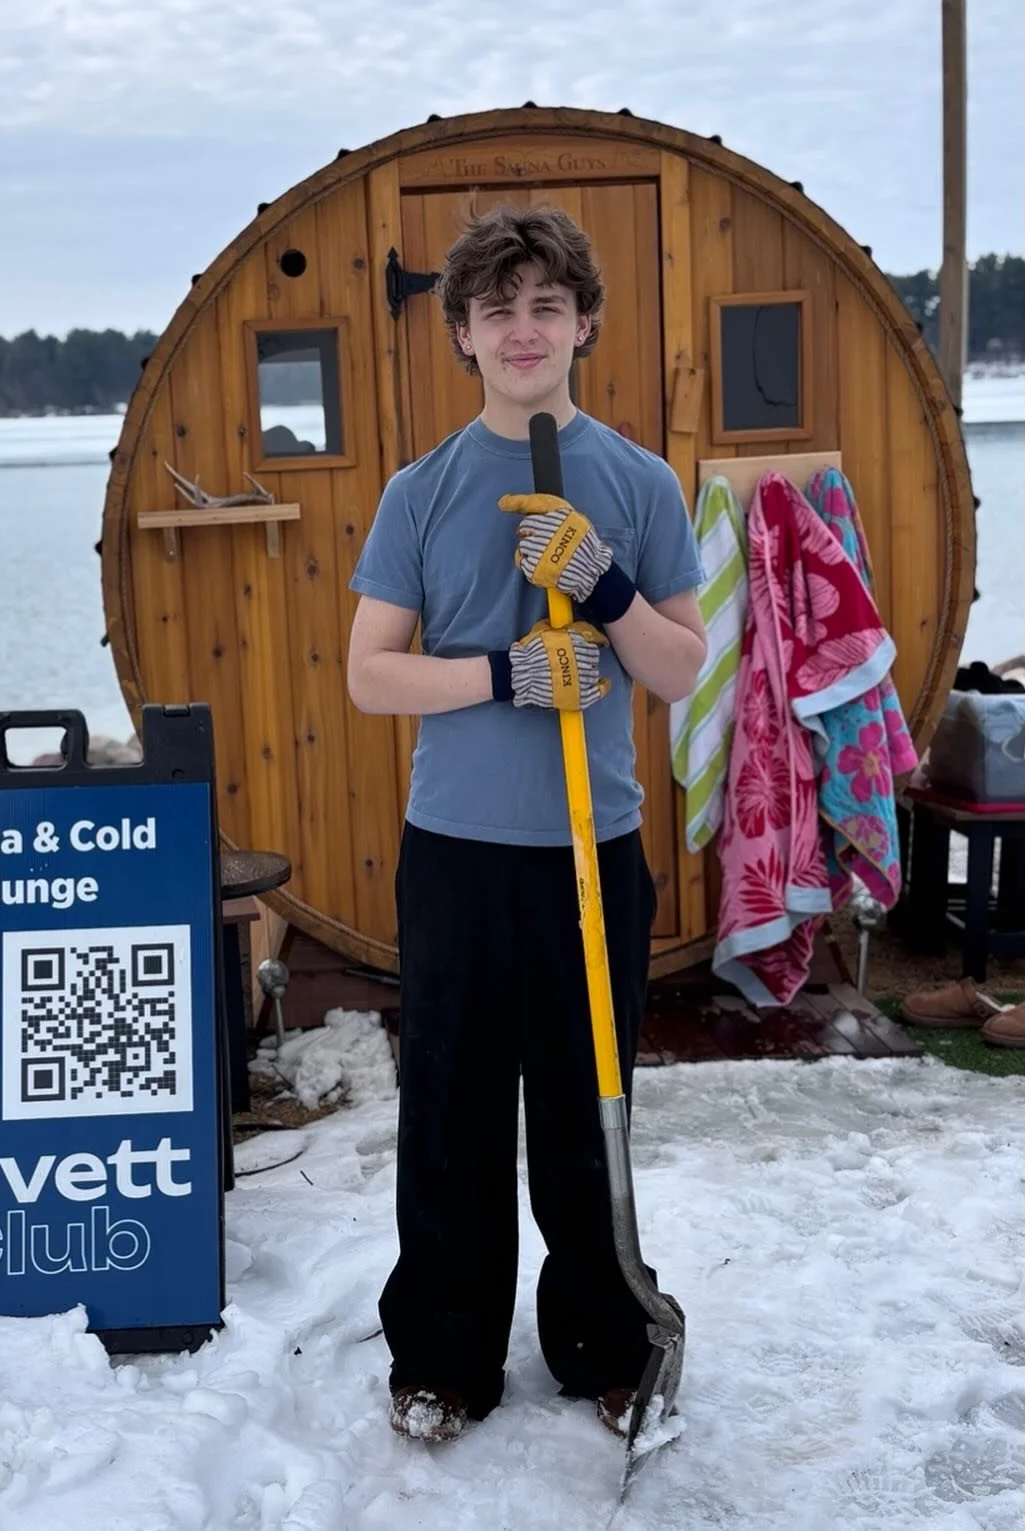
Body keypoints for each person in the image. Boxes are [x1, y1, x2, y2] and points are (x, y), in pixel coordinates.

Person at [346, 203, 706, 1444]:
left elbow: (678, 667)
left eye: (546, 305)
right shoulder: (421, 491)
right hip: (456, 851)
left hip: (588, 853)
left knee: (582, 1106)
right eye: (495, 309)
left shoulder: (638, 483)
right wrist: (506, 673)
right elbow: (370, 674)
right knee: (449, 1109)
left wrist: (602, 587)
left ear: (584, 324)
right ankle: (443, 1356)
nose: (522, 329)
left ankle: (603, 1338)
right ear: (460, 332)